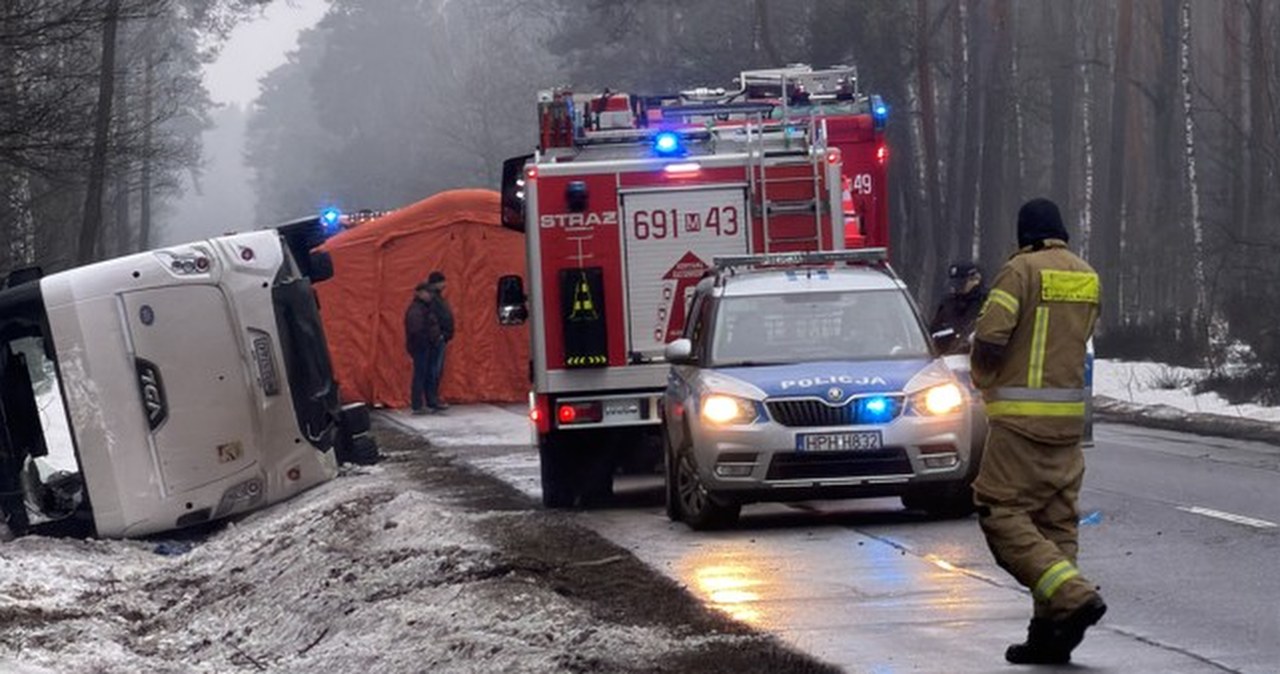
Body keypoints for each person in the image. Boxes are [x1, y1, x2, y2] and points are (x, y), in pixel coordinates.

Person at [969, 198, 1106, 665]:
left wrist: (983, 379)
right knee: (1055, 522)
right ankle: (1050, 633)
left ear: (1024, 235)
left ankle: (1072, 596)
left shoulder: (1020, 271)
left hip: (1019, 424)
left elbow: (991, 338)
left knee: (999, 510)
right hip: (1068, 426)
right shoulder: (1087, 276)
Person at [404, 281, 444, 415]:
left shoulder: (426, 307)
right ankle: (417, 405)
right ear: (419, 293)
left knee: (429, 375)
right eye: (427, 292)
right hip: (421, 347)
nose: (430, 295)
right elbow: (416, 329)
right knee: (420, 375)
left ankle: (430, 401)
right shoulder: (416, 309)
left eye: (431, 293)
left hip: (428, 346)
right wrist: (427, 341)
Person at [929, 261, 986, 353]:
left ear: (975, 280)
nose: (956, 288)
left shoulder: (986, 301)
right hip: (947, 353)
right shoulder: (949, 302)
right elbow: (934, 329)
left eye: (961, 284)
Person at [426, 270, 455, 410]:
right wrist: (439, 335)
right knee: (434, 369)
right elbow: (432, 319)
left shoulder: (436, 297)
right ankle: (432, 399)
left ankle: (433, 398)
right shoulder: (433, 299)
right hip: (437, 339)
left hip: (441, 337)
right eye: (442, 282)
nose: (444, 284)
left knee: (436, 369)